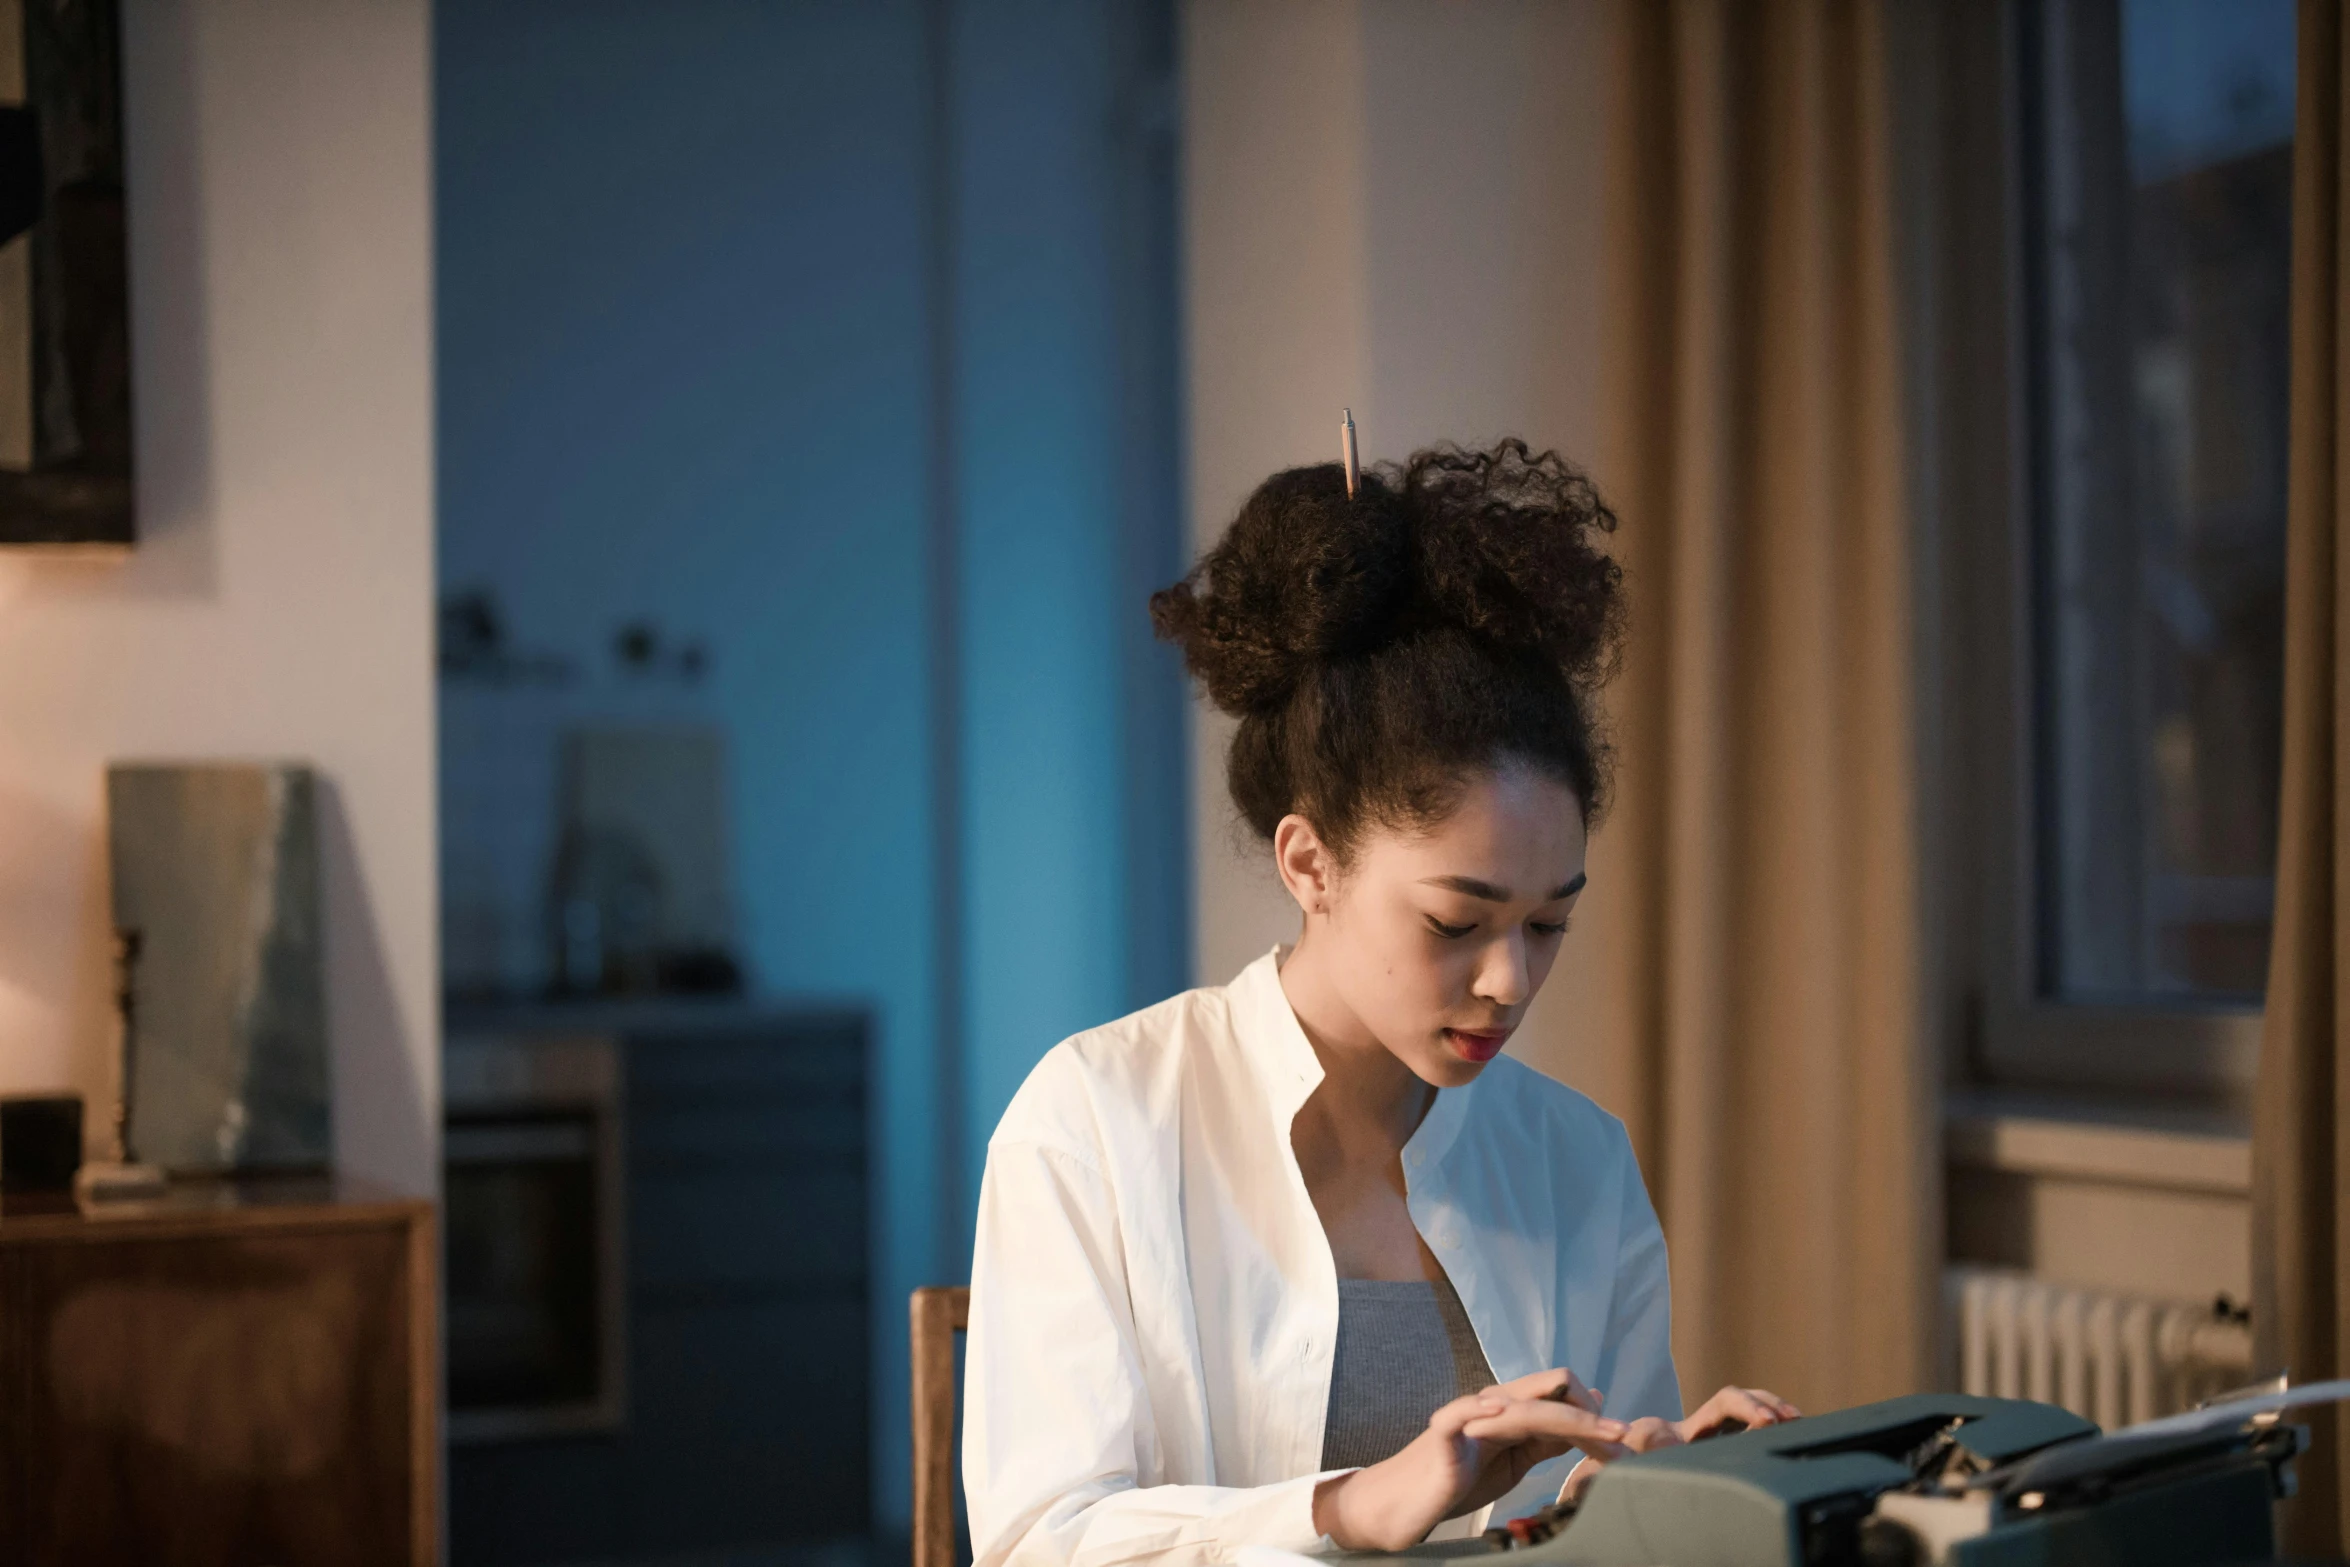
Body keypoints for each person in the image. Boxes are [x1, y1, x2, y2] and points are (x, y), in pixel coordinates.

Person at [962, 440, 1796, 1567]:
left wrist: (1661, 1494)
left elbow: (1579, 1531)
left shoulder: (1576, 1161)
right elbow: (1040, 1542)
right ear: (1309, 864)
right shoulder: (1099, 1119)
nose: (1509, 982)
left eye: (1548, 923)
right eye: (1457, 923)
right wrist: (1349, 1506)